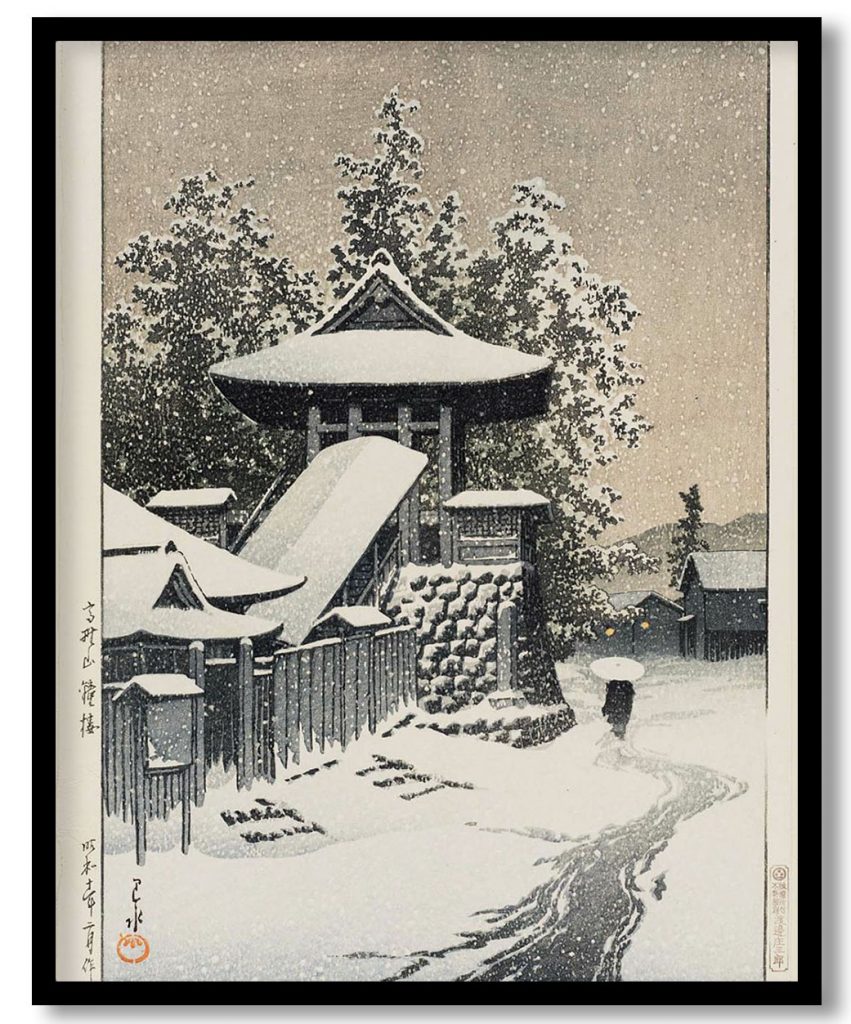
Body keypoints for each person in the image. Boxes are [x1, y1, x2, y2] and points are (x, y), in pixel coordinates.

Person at [589, 656, 645, 740]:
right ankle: (620, 736)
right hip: (622, 714)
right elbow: (628, 703)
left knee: (616, 730)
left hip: (616, 713)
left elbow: (609, 701)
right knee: (619, 728)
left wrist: (605, 710)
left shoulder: (613, 686)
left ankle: (617, 737)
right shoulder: (627, 687)